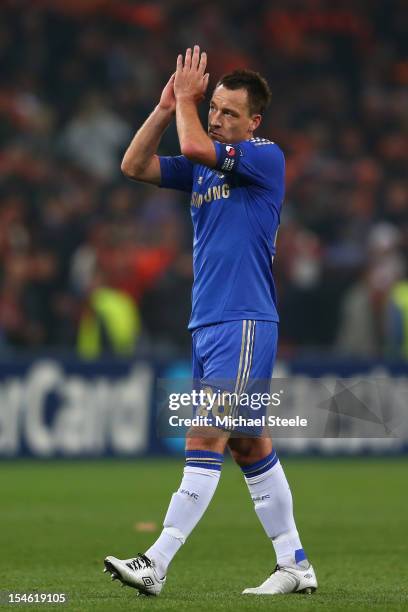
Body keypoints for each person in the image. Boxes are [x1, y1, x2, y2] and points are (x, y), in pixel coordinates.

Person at [104, 45, 317, 597]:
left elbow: (195, 141)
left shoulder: (265, 157)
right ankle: (294, 564)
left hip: (244, 321)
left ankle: (157, 560)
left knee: (206, 432)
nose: (217, 118)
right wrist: (163, 108)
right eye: (214, 107)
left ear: (254, 121)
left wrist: (188, 101)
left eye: (228, 112)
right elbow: (133, 166)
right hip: (208, 324)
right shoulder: (201, 168)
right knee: (248, 445)